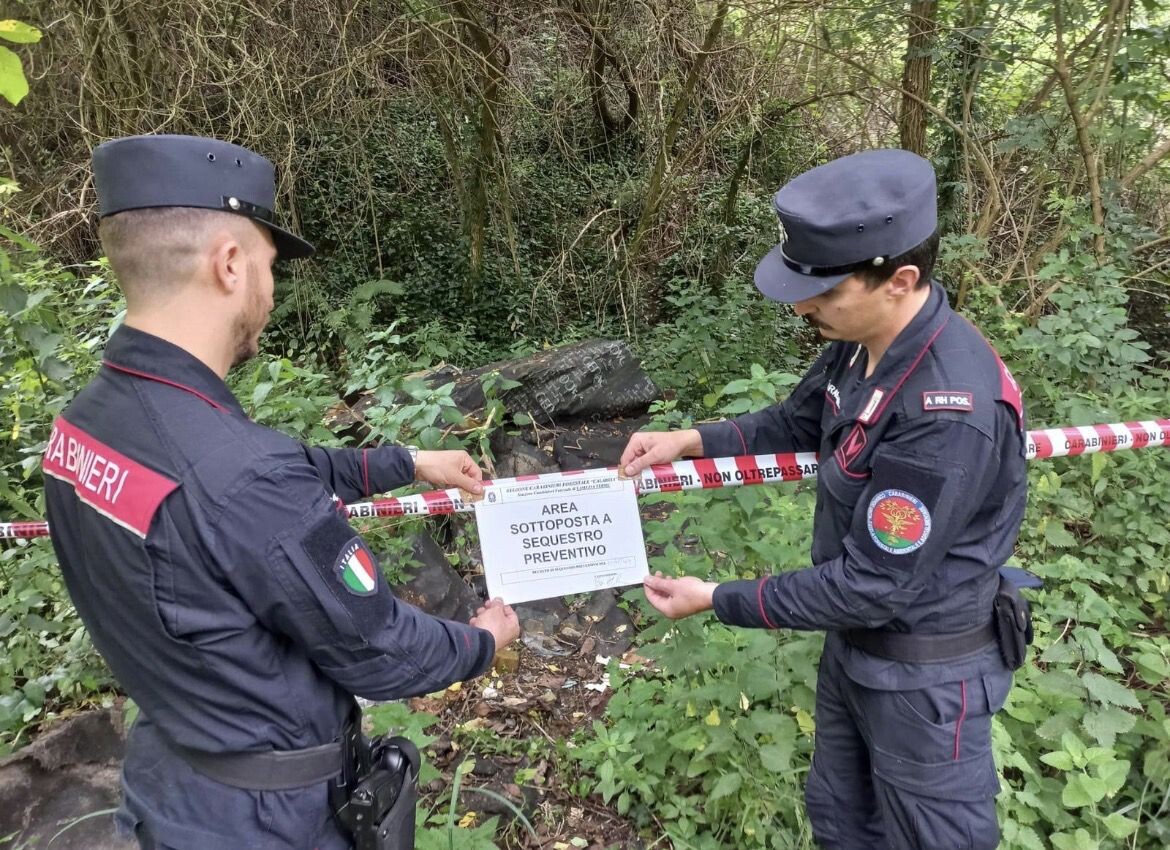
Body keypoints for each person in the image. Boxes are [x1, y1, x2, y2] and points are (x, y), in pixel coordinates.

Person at [42, 134, 520, 850]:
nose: (271, 290)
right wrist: (482, 642)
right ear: (230, 265)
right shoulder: (243, 475)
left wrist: (411, 460)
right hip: (268, 820)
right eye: (269, 266)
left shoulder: (87, 427)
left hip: (170, 785)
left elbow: (266, 475)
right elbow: (380, 648)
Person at [620, 149, 1028, 850]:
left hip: (922, 681)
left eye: (826, 293)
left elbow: (872, 584)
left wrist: (718, 597)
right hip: (856, 655)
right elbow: (798, 420)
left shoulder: (944, 412)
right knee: (843, 823)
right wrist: (689, 438)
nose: (805, 308)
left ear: (900, 279)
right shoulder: (860, 339)